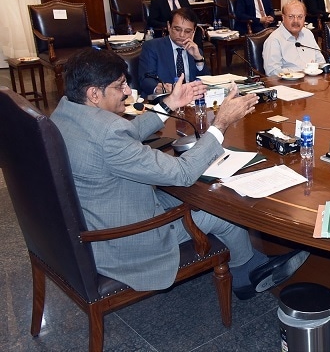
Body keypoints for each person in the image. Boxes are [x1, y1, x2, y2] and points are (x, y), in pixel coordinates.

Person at [50, 48, 308, 300]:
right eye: (120, 86)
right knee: (221, 208)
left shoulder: (66, 112)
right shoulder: (108, 132)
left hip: (102, 213)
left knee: (197, 194)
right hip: (127, 238)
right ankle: (247, 275)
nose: (128, 92)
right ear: (94, 93)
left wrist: (170, 103)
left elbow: (125, 136)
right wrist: (221, 124)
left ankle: (248, 259)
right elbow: (182, 173)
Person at [139, 7, 209, 96]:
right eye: (177, 29)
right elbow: (145, 80)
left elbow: (206, 81)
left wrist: (198, 59)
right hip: (165, 99)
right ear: (169, 26)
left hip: (191, 100)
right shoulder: (152, 47)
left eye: (188, 31)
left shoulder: (195, 50)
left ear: (194, 31)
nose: (182, 35)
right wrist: (160, 88)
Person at [262, 0, 325, 76]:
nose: (296, 21)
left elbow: (321, 61)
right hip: (288, 84)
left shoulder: (308, 34)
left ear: (304, 18)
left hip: (313, 81)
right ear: (283, 17)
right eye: (291, 17)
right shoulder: (274, 40)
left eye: (300, 17)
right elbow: (271, 72)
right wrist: (297, 74)